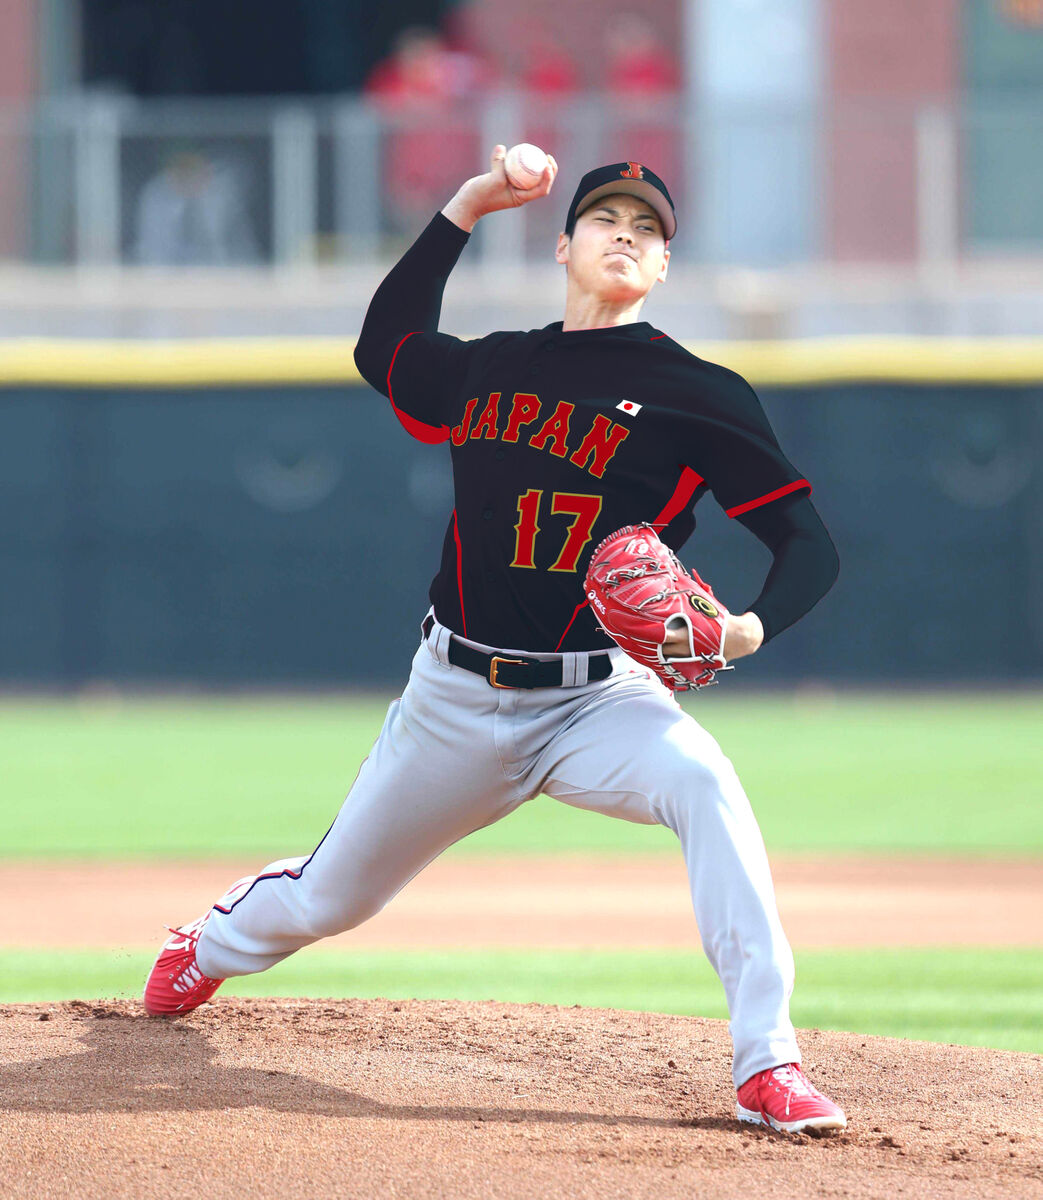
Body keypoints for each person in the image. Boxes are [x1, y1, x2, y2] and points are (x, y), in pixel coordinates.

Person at [144, 147, 845, 1136]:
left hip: (597, 700)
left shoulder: (700, 393)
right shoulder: (490, 365)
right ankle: (208, 946)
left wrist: (747, 627)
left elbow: (805, 540)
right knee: (329, 900)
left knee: (706, 784)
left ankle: (766, 1063)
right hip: (455, 699)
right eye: (606, 218)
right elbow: (380, 344)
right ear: (563, 244)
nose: (626, 236)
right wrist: (468, 204)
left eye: (648, 230)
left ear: (661, 268)